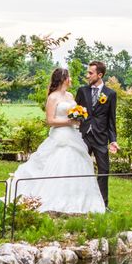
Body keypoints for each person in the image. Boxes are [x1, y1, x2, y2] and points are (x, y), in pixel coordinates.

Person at [8, 68, 105, 214]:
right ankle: (53, 199)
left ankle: (77, 201)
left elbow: (75, 113)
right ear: (63, 79)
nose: (71, 79)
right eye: (69, 77)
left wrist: (79, 118)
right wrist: (69, 122)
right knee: (59, 162)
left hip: (74, 135)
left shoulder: (71, 95)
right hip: (60, 136)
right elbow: (50, 120)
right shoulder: (53, 97)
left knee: (77, 164)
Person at [76, 61, 119, 210]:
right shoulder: (82, 91)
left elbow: (111, 120)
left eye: (90, 73)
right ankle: (80, 203)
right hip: (84, 137)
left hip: (101, 138)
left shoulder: (110, 94)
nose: (87, 75)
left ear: (99, 75)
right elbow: (76, 114)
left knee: (104, 171)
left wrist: (113, 140)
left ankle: (102, 205)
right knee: (80, 169)